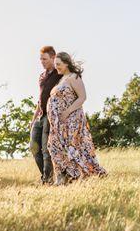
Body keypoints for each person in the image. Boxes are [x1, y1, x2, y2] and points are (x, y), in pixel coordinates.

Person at [46, 52, 107, 185]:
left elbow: (82, 97)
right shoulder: (62, 79)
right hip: (58, 123)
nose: (56, 67)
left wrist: (67, 112)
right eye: (55, 64)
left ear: (67, 63)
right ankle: (63, 177)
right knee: (54, 146)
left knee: (73, 148)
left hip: (71, 120)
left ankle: (85, 174)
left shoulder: (74, 77)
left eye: (59, 64)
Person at [30, 46, 63, 184]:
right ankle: (46, 177)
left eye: (45, 59)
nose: (42, 62)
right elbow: (40, 99)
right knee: (34, 147)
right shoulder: (42, 76)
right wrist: (33, 119)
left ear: (53, 57)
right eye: (40, 59)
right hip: (40, 115)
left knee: (46, 149)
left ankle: (47, 179)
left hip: (51, 116)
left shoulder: (60, 74)